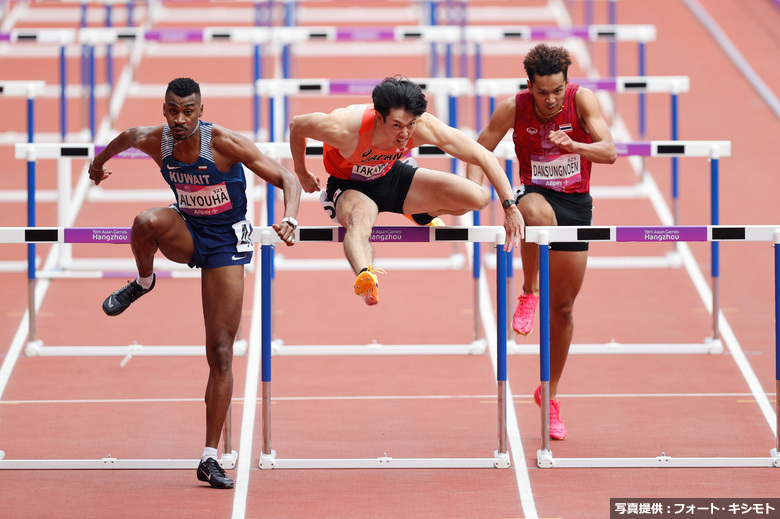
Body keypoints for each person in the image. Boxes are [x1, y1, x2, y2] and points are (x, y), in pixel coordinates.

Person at [89, 77, 301, 488]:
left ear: (201, 112)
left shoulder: (223, 143)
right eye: (172, 110)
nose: (180, 119)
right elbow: (123, 138)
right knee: (145, 222)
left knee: (220, 351)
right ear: (164, 109)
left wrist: (289, 218)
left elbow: (288, 180)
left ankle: (208, 457)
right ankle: (144, 281)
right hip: (187, 230)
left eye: (188, 111)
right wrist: (97, 166)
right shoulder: (154, 139)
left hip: (225, 244)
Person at [469, 44, 617, 439]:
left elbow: (610, 151)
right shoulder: (512, 108)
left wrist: (577, 146)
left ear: (565, 84)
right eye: (542, 92)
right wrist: (472, 192)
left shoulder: (581, 99)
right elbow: (477, 149)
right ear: (529, 86)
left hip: (577, 206)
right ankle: (528, 292)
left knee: (565, 309)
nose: (550, 100)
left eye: (556, 90)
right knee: (533, 212)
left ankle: (549, 394)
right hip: (535, 194)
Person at [288, 75, 524, 305]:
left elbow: (483, 155)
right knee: (358, 219)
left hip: (391, 176)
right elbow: (297, 125)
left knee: (478, 197)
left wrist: (510, 206)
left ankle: (420, 214)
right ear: (379, 118)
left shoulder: (423, 126)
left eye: (410, 124)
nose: (404, 134)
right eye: (397, 125)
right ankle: (366, 277)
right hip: (351, 186)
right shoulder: (343, 128)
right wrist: (302, 172)